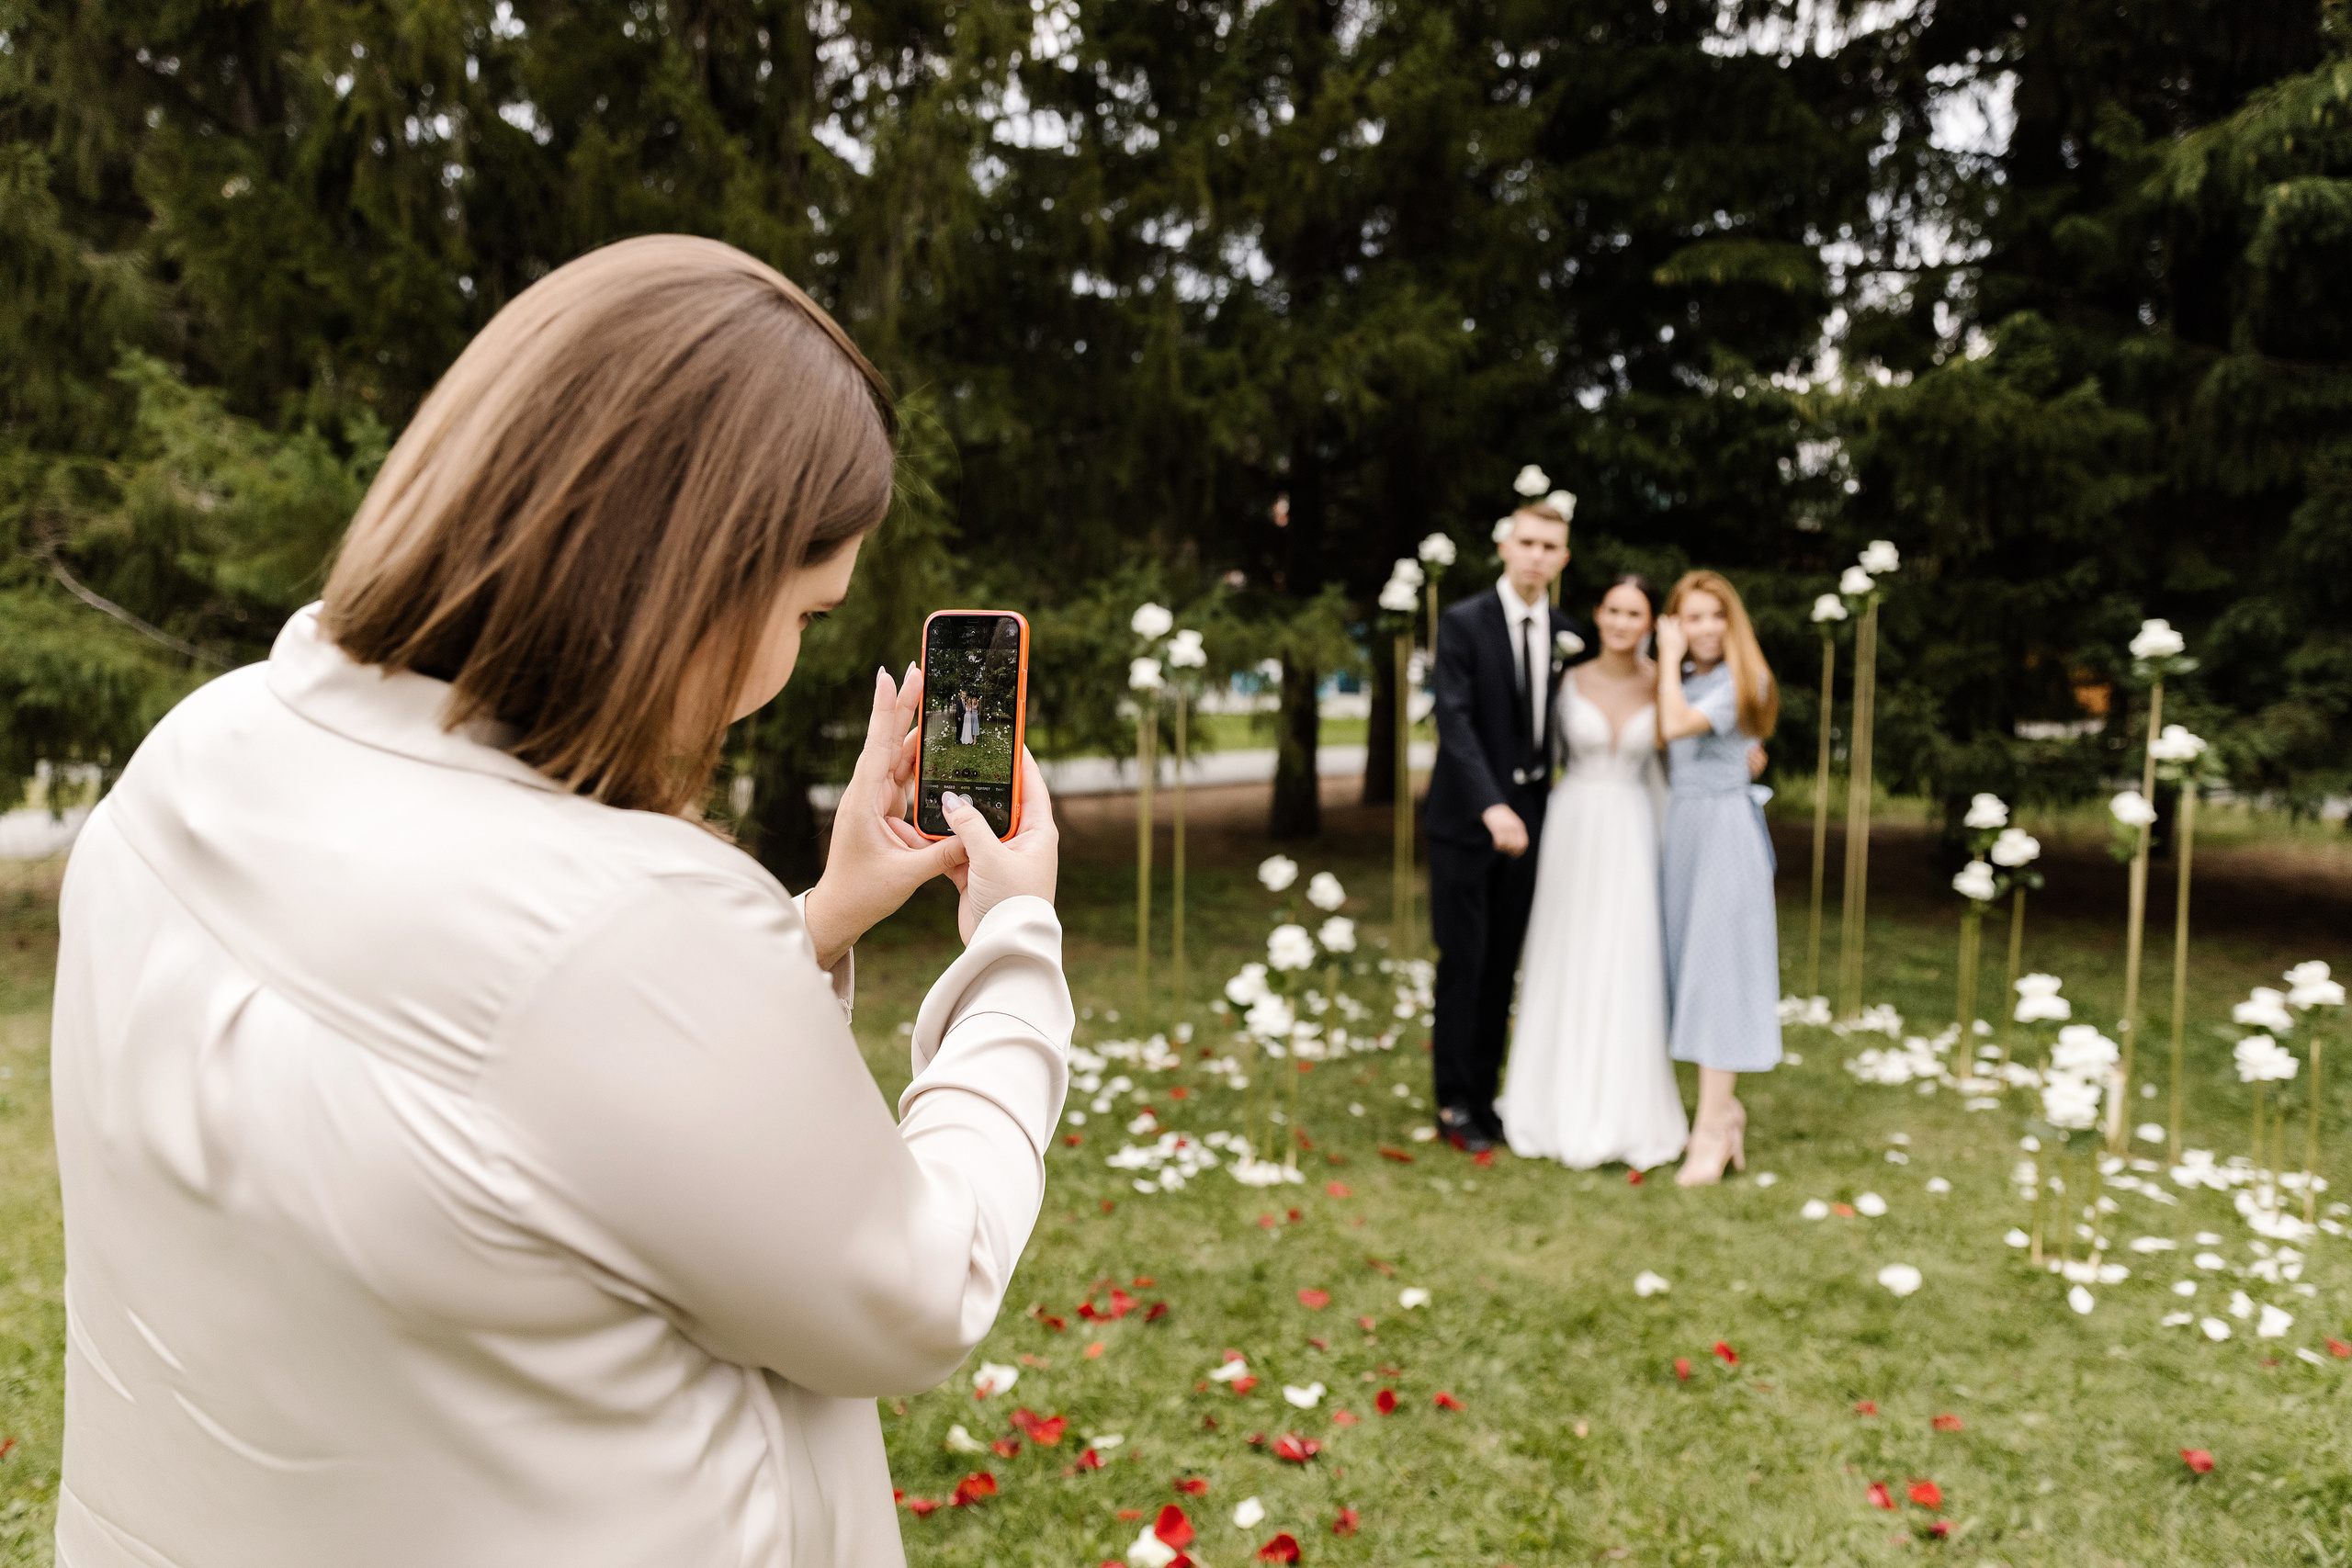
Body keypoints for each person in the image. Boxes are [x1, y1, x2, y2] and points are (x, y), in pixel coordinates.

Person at [47, 235, 1070, 1568]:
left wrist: (806, 922)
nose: (790, 654)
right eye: (809, 612)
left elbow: (475, 1072)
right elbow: (919, 1287)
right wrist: (1012, 942)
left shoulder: (202, 750)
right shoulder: (631, 929)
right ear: (695, 587)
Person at [1498, 575, 1689, 1169]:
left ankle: (1625, 1106)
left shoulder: (1665, 684)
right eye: (1613, 610)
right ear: (1598, 615)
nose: (1622, 622)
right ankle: (1548, 1100)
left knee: (1625, 952)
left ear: (1651, 621)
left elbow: (1687, 755)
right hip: (1572, 823)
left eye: (1635, 613)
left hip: (1632, 826)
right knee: (1566, 948)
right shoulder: (1566, 680)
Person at [1421, 498, 1577, 1152]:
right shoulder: (1462, 623)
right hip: (1465, 820)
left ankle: (1489, 1095)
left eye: (1551, 546)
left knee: (1505, 965)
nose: (1538, 555)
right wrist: (1491, 804)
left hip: (1536, 820)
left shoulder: (1569, 633)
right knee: (1465, 960)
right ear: (1506, 547)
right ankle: (1455, 1102)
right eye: (1528, 542)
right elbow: (1452, 719)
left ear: (1563, 557)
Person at [1654, 568, 1782, 1186]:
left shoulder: (1742, 676)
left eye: (1713, 615)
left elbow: (1676, 726)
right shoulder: (1684, 680)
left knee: (1718, 975)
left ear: (1731, 621)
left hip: (1725, 831)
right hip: (1683, 829)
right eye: (1690, 617)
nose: (1703, 628)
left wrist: (1667, 657)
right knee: (1684, 970)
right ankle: (1724, 1111)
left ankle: (1708, 1132)